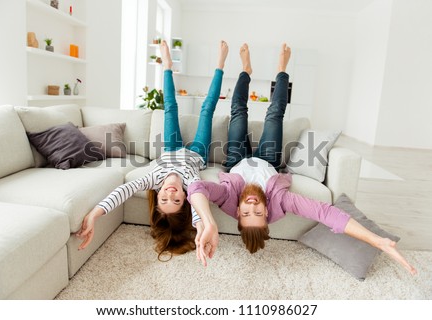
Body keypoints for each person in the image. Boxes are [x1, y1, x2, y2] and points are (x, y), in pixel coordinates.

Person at [188, 43, 417, 275]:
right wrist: (377, 240)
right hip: (268, 160)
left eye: (247, 213)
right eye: (258, 213)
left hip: (237, 160)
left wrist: (210, 223)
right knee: (275, 114)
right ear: (267, 212)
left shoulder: (229, 198)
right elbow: (326, 213)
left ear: (237, 212)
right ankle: (282, 68)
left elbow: (196, 187)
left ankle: (246, 70)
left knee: (238, 110)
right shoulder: (280, 201)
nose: (252, 206)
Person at [76, 40, 229, 260]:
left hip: (170, 148)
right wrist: (204, 229)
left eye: (164, 199)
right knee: (206, 110)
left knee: (170, 107)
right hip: (198, 153)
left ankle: (166, 65)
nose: (170, 194)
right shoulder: (192, 188)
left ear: (157, 196)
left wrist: (93, 216)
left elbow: (122, 192)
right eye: (176, 201)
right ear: (185, 197)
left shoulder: (154, 179)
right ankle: (220, 64)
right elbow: (198, 215)